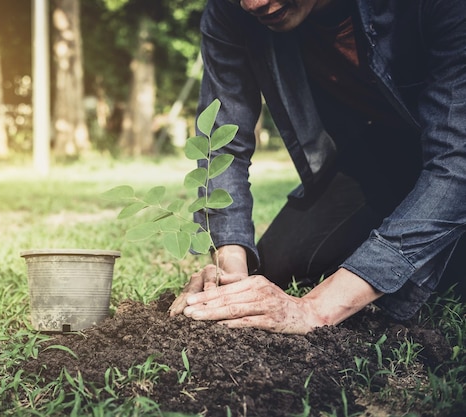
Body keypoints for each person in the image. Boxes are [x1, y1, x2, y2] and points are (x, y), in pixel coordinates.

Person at [168, 0, 466, 334]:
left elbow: (456, 163)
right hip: (378, 159)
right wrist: (230, 270)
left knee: (433, 274)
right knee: (279, 263)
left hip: (449, 156)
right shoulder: (231, 12)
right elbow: (225, 144)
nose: (253, 3)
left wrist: (314, 309)